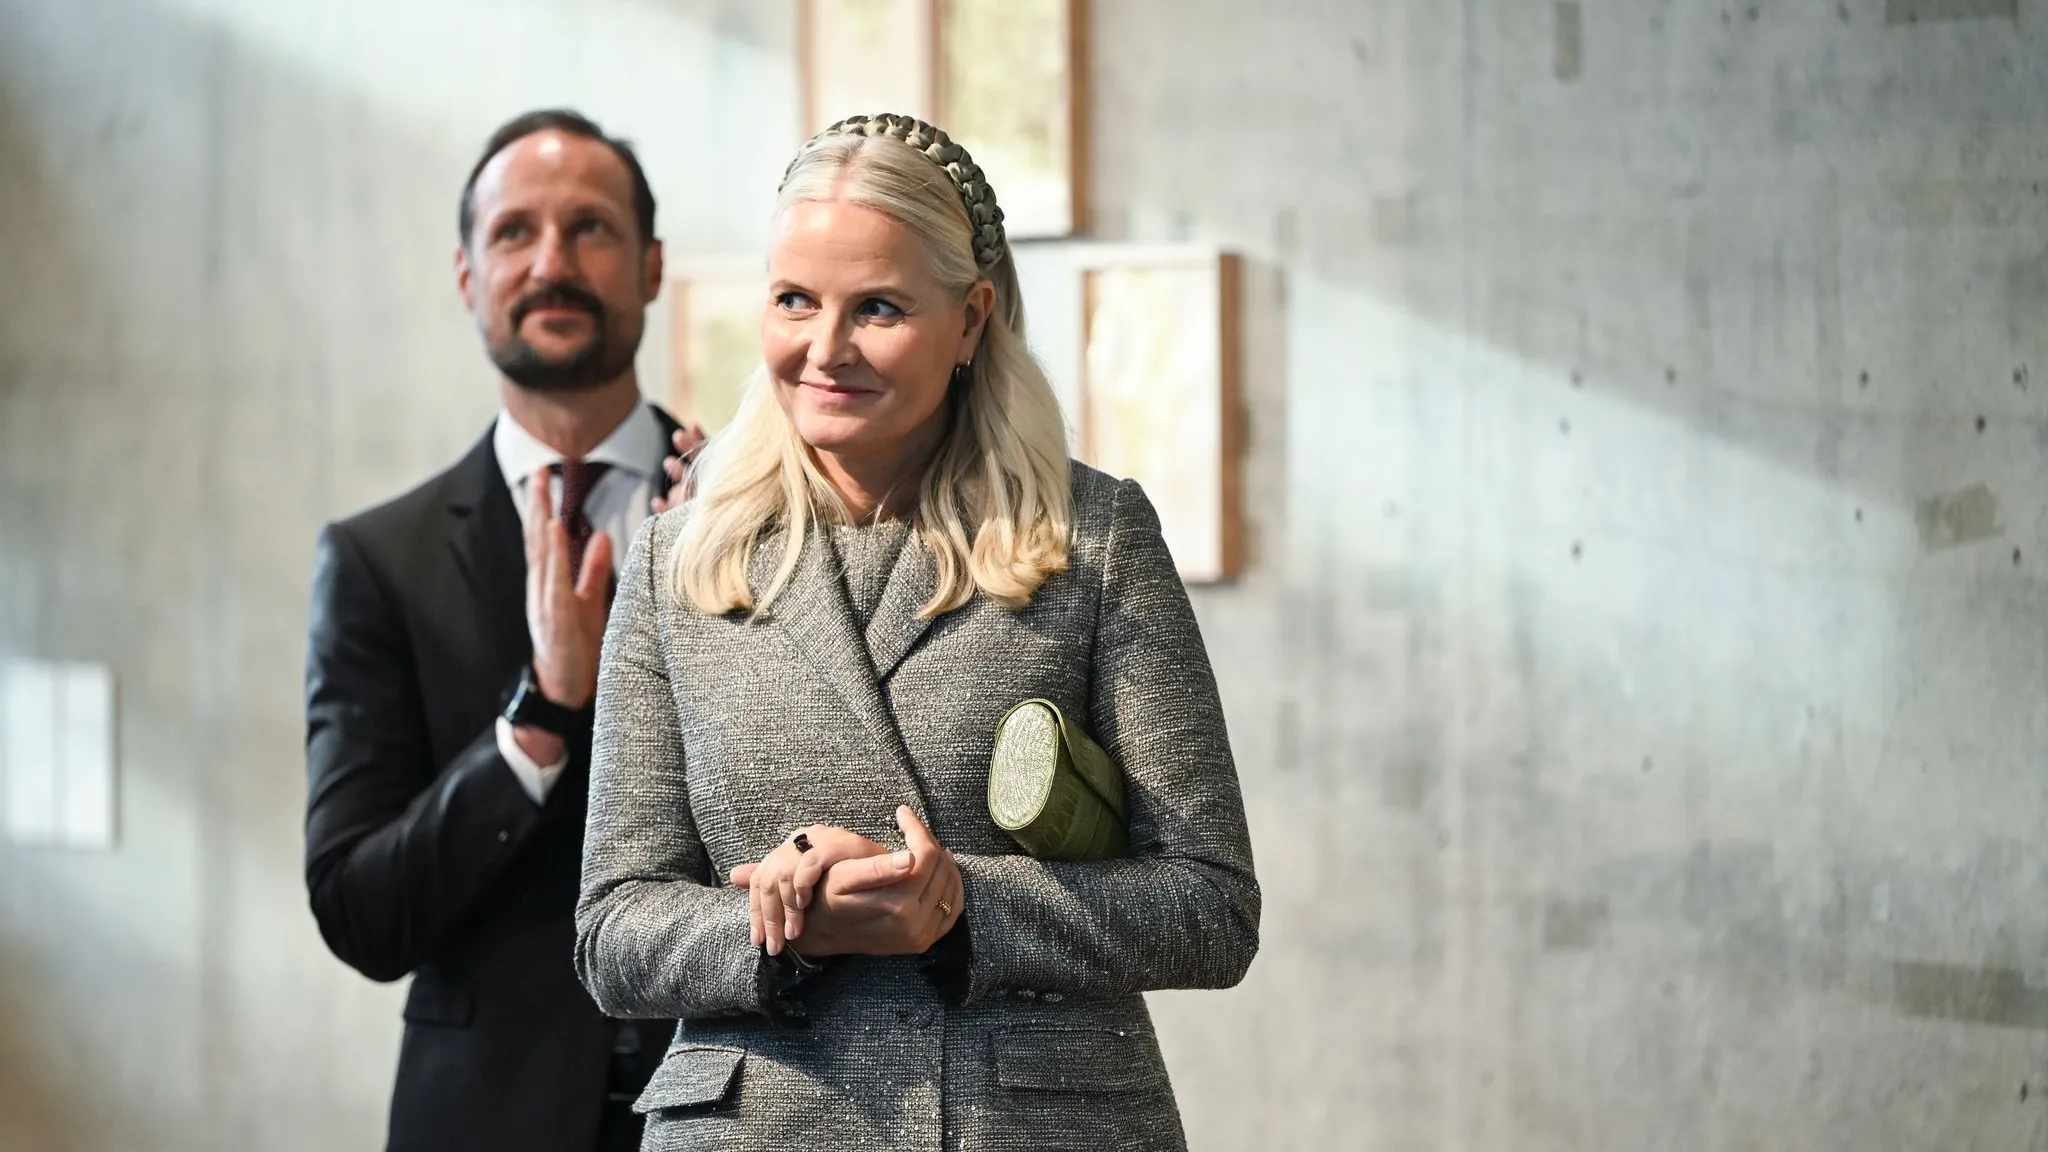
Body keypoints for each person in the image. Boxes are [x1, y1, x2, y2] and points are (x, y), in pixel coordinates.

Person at [575, 113, 1261, 1150]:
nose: (824, 348)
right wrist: (791, 922)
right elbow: (612, 933)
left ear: (971, 319)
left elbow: (1210, 908)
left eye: (878, 308)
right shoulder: (681, 558)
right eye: (794, 300)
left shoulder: (1092, 538)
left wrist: (958, 905)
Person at [301, 108, 704, 1152]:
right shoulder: (378, 562)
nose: (551, 263)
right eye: (515, 232)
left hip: (738, 1106)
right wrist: (540, 718)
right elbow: (361, 911)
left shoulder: (753, 516)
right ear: (467, 274)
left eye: (590, 228)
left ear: (652, 265)